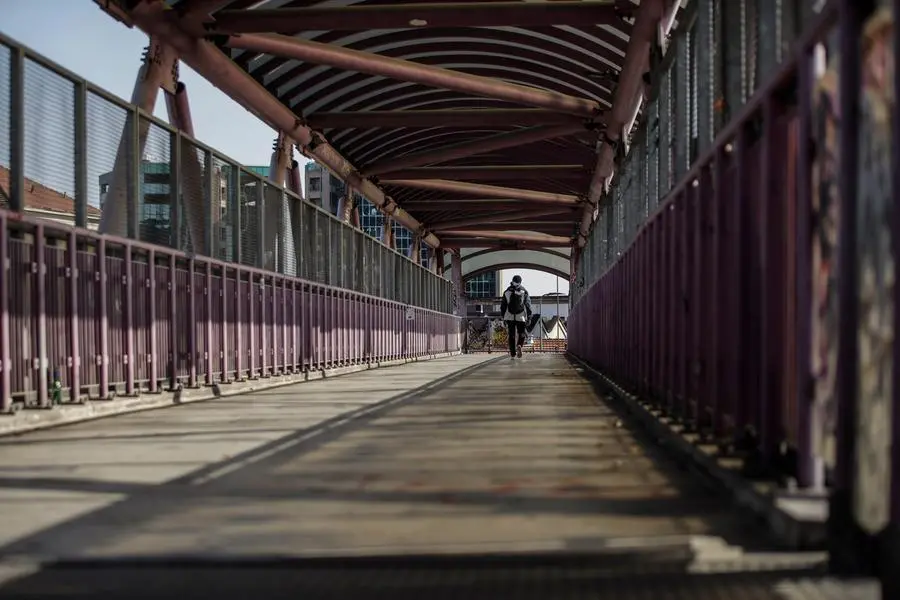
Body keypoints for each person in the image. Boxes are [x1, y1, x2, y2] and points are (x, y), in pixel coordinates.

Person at [499, 275, 532, 358]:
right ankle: (519, 345)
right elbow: (528, 305)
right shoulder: (524, 291)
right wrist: (529, 316)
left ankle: (513, 353)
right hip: (520, 316)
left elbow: (503, 306)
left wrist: (503, 317)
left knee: (511, 335)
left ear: (512, 281)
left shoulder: (507, 291)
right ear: (520, 282)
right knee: (521, 333)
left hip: (510, 316)